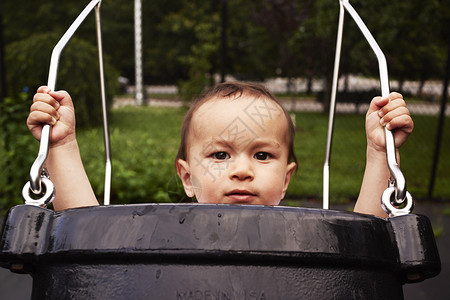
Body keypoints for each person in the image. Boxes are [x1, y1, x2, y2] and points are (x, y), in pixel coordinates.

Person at [27, 82, 413, 217]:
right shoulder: (163, 236)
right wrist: (60, 144)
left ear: (285, 179)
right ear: (187, 177)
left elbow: (366, 252)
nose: (241, 170)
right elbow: (89, 244)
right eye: (220, 155)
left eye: (262, 156)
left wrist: (380, 154)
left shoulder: (306, 238)